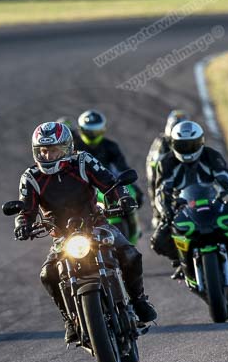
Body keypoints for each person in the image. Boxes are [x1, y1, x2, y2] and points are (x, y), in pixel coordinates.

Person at [14, 121, 157, 344]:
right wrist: (22, 224)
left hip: (95, 223)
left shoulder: (83, 161)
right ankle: (70, 320)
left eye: (53, 149)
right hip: (61, 236)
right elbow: (26, 208)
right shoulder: (31, 177)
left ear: (67, 148)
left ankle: (139, 300)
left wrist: (123, 197)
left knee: (130, 253)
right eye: (43, 150)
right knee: (47, 274)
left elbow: (110, 183)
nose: (48, 155)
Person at [150, 120, 228, 273]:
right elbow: (161, 190)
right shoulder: (165, 163)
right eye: (182, 146)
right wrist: (166, 210)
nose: (187, 150)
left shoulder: (211, 156)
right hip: (182, 207)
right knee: (158, 241)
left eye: (191, 145)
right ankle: (182, 261)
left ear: (201, 143)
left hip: (213, 202)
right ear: (173, 144)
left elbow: (226, 178)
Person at [74, 110, 144, 244]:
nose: (93, 135)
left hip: (109, 184)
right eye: (89, 132)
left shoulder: (111, 146)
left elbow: (123, 167)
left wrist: (134, 187)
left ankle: (134, 231)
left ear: (103, 130)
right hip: (84, 186)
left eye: (96, 131)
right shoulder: (74, 147)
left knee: (133, 196)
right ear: (81, 130)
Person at [146, 110, 190, 227]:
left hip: (189, 188)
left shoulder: (190, 142)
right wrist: (158, 209)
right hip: (167, 183)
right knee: (162, 228)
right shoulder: (162, 143)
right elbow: (153, 171)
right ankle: (158, 215)